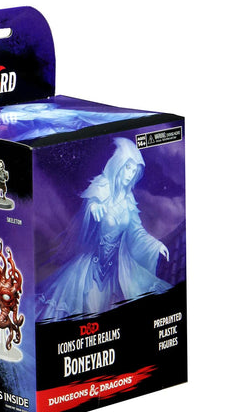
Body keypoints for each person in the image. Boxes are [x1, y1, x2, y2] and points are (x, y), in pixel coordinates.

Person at [37, 137, 171, 321]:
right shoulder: (100, 187)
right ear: (119, 164)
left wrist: (156, 245)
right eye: (128, 168)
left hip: (118, 267)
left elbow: (136, 231)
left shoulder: (129, 199)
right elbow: (86, 215)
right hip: (90, 267)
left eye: (134, 170)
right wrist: (91, 207)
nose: (130, 174)